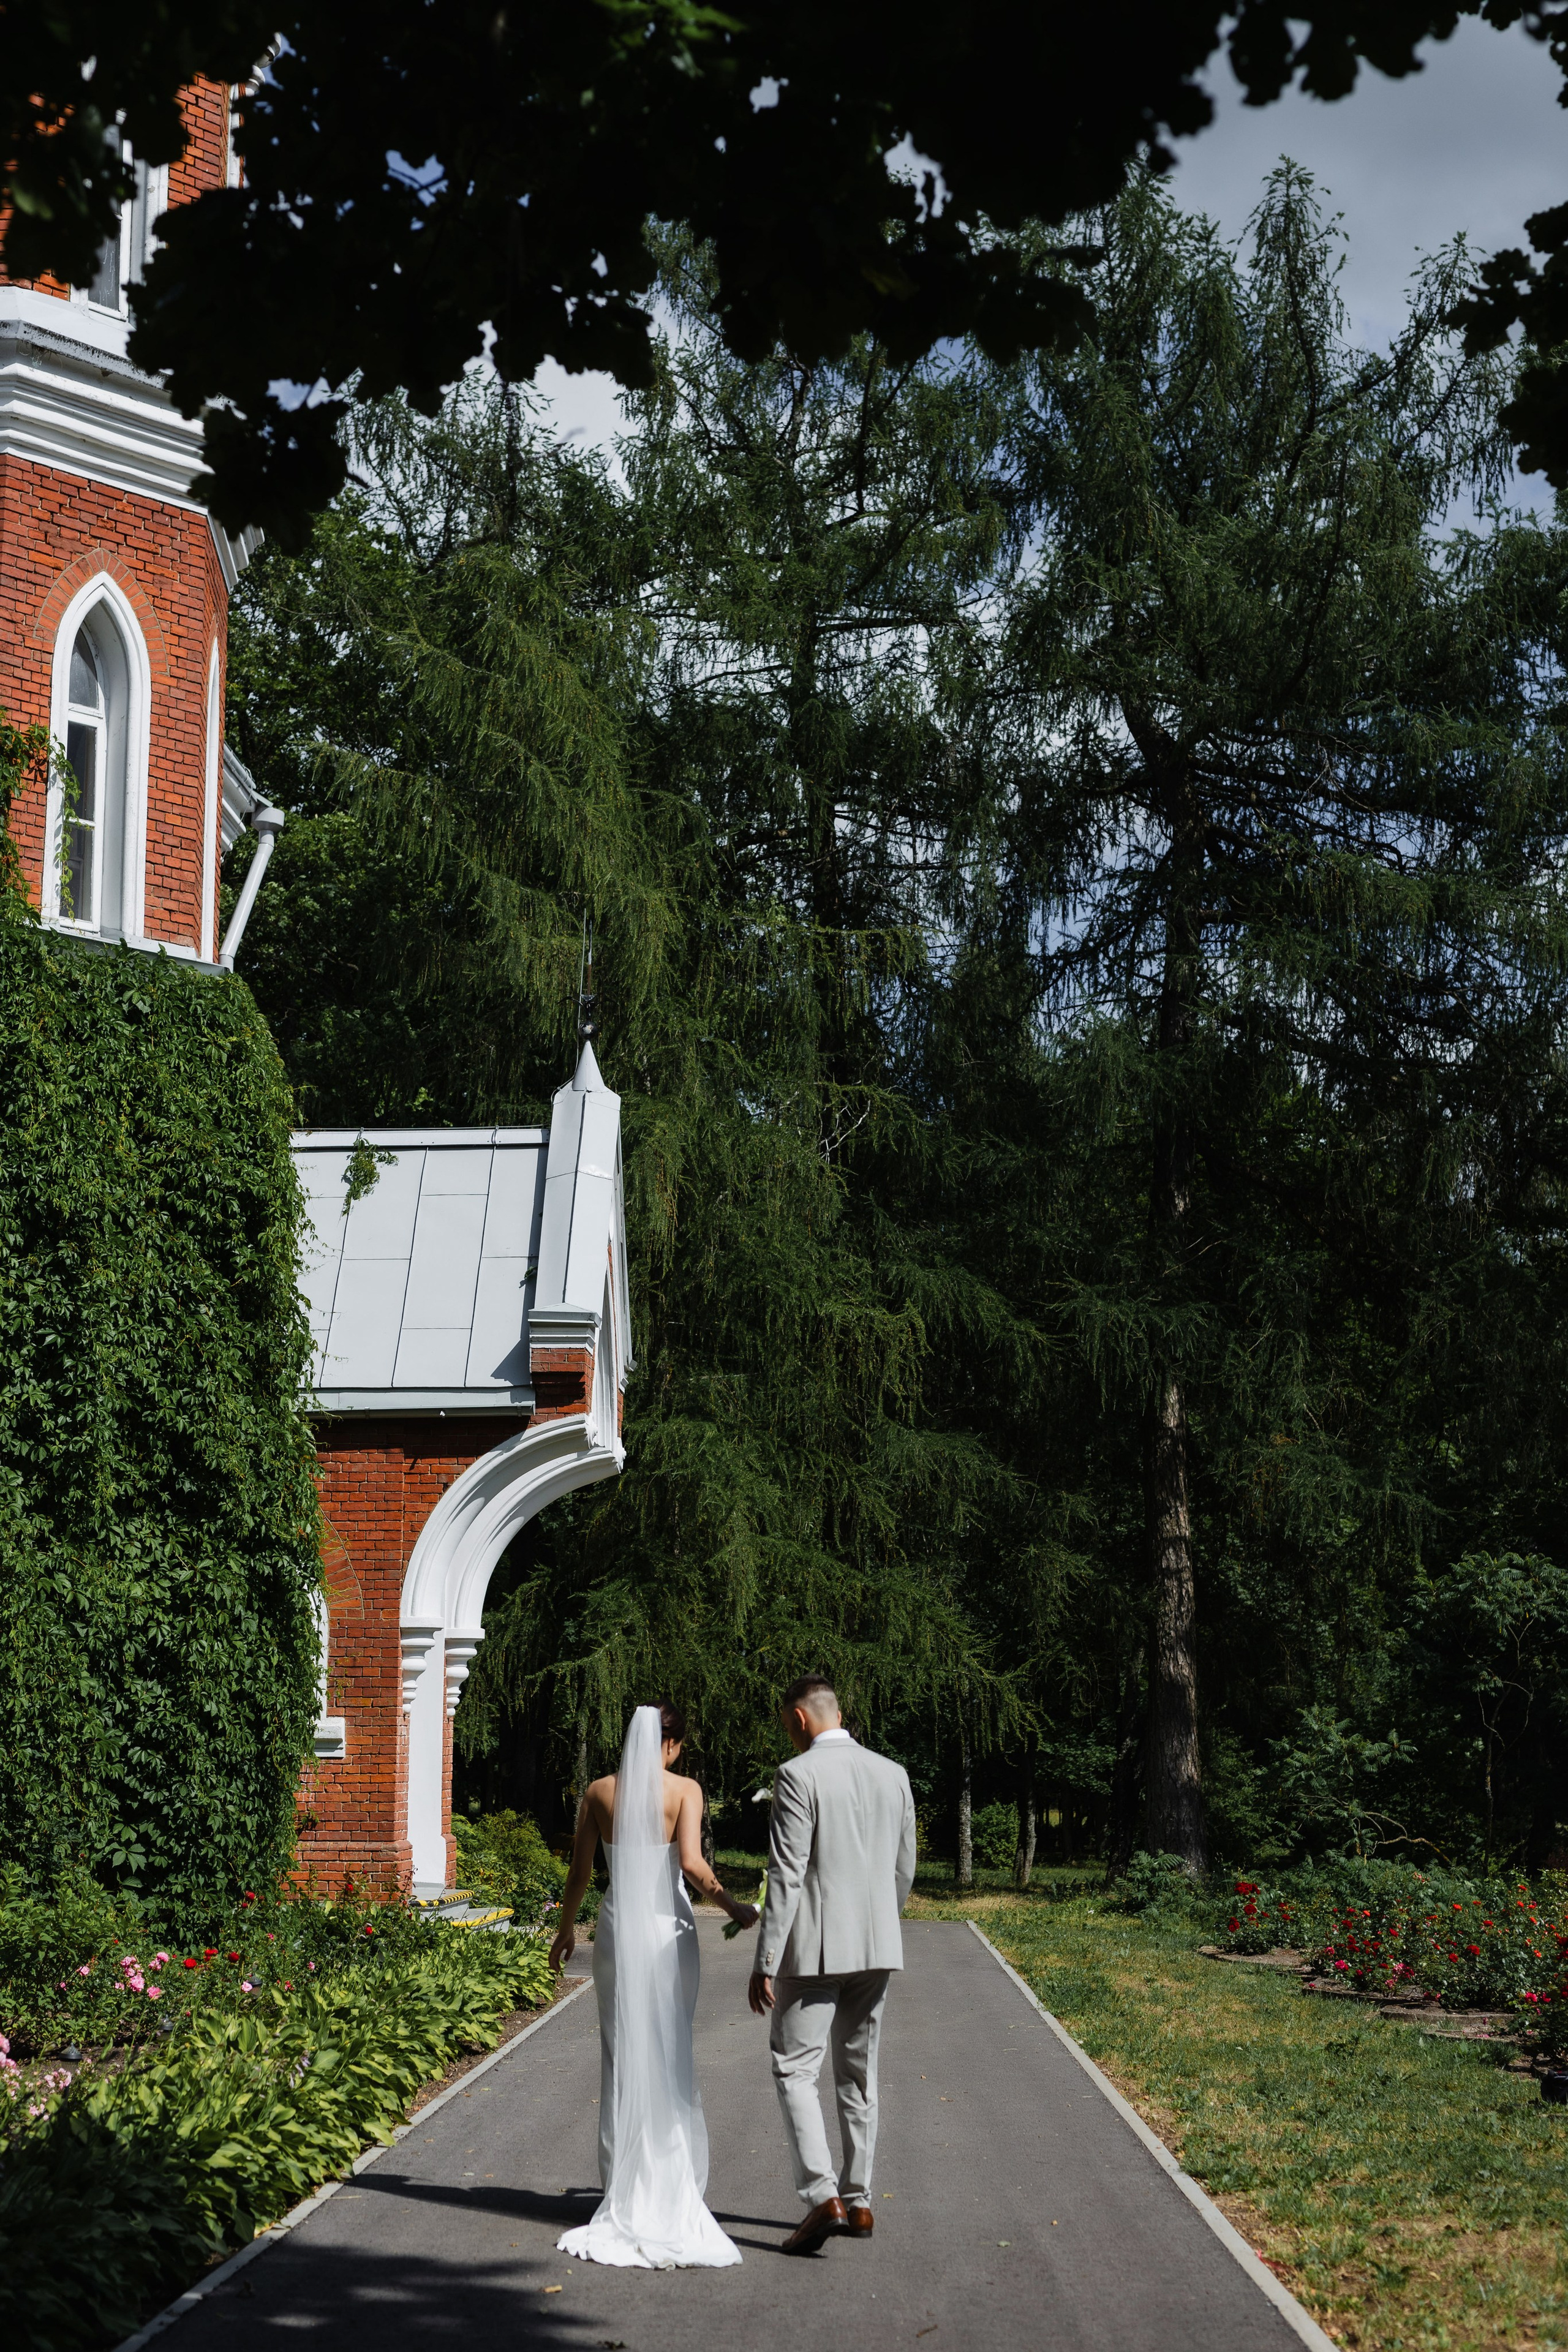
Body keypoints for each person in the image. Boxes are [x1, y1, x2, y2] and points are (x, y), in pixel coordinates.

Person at [549, 1700, 757, 2269]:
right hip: (669, 1927)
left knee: (619, 2058)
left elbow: (581, 1872)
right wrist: (734, 1905)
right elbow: (691, 1864)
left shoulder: (598, 1792)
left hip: (616, 1932)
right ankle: (670, 2184)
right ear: (674, 1744)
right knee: (672, 2053)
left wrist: (567, 1932)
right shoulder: (684, 1790)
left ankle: (623, 2188)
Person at [749, 1673, 918, 2255]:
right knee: (860, 2072)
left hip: (814, 1950)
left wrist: (765, 1959)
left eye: (785, 1726)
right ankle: (862, 2198)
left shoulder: (798, 1775)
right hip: (876, 1948)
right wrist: (880, 1926)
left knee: (795, 2068)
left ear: (798, 1719)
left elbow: (787, 1872)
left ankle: (823, 2195)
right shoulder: (894, 1775)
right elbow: (904, 1869)